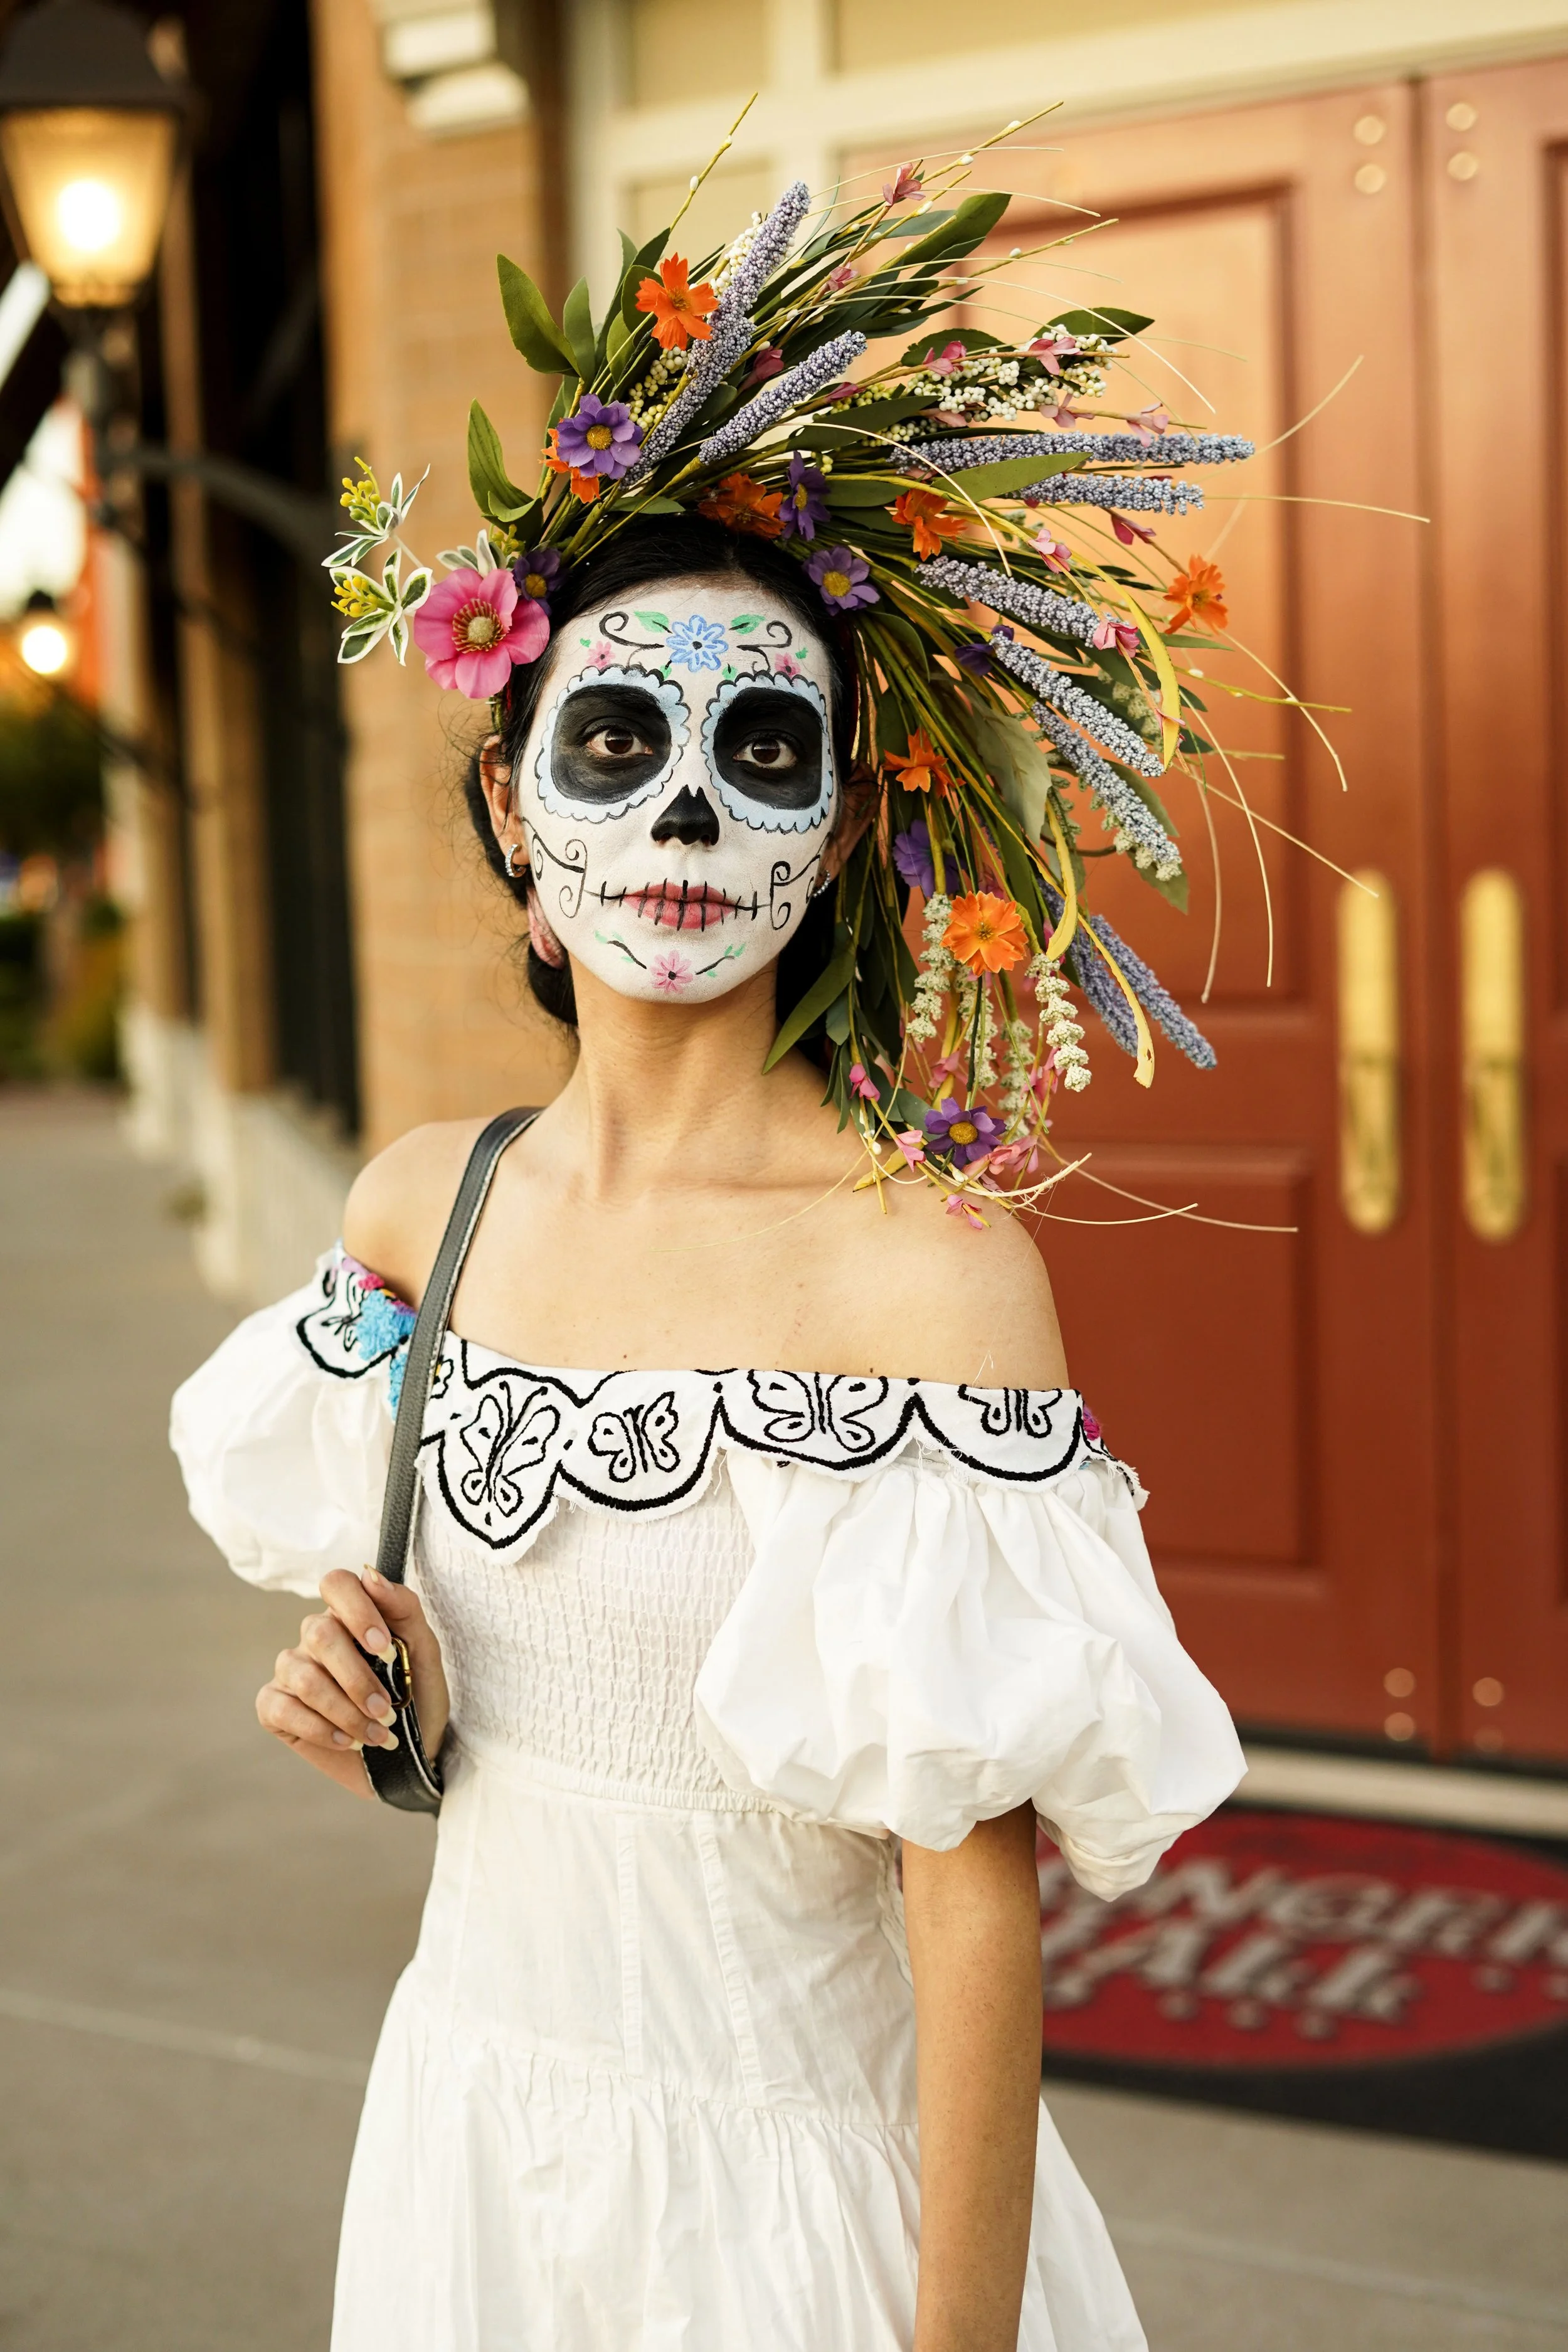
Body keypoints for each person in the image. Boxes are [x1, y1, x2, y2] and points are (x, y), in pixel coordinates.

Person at [172, 161, 1249, 2352]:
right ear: (511, 803)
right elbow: (466, 1697)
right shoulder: (422, 1212)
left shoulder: (925, 1276)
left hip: (797, 2216)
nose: (683, 813)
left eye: (762, 752)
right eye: (617, 739)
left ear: (841, 821)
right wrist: (362, 1693)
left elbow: (976, 1931)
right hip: (478, 2146)